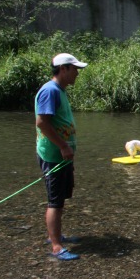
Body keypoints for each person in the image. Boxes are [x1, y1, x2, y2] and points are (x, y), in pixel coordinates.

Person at [35, 53, 88, 261]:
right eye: (75, 69)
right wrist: (64, 146)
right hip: (53, 155)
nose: (77, 73)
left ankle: (55, 235)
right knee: (55, 201)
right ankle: (57, 247)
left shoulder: (59, 91)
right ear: (63, 69)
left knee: (60, 199)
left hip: (61, 154)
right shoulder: (50, 91)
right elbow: (42, 122)